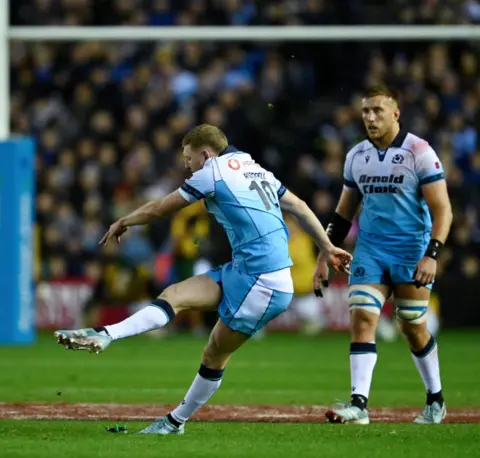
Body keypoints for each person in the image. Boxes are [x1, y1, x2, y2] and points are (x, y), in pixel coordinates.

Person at [55, 124, 352, 435]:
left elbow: (159, 209)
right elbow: (301, 207)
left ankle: (175, 422)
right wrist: (328, 247)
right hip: (242, 269)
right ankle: (105, 334)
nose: (187, 165)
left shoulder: (212, 172)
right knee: (174, 295)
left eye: (188, 158)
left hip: (264, 284)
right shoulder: (254, 167)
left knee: (215, 352)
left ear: (206, 154)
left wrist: (124, 221)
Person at [313, 86, 453, 425]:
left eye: (377, 110)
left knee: (412, 326)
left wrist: (432, 254)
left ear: (396, 113)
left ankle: (436, 400)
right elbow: (344, 213)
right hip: (371, 250)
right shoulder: (356, 155)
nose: (370, 117)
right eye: (365, 111)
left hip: (411, 250)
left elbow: (443, 210)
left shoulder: (420, 151)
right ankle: (359, 405)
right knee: (362, 319)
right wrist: (324, 253)